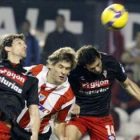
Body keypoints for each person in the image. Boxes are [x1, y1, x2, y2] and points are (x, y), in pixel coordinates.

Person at [65, 45, 140, 140]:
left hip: (102, 118)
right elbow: (61, 88)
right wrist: (72, 102)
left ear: (100, 56)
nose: (97, 69)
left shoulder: (111, 63)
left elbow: (128, 85)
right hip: (79, 116)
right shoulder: (74, 70)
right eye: (92, 68)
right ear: (84, 66)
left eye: (98, 65)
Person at [11, 47, 77, 140]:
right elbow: (11, 75)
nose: (63, 72)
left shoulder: (68, 97)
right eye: (60, 66)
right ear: (51, 64)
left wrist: (61, 137)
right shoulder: (36, 71)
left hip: (39, 136)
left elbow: (59, 122)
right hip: (14, 127)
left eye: (67, 69)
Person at [0, 33, 40, 140]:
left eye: (25, 44)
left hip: (4, 130)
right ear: (7, 48)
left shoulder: (31, 78)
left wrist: (35, 134)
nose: (25, 46)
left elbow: (34, 110)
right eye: (19, 43)